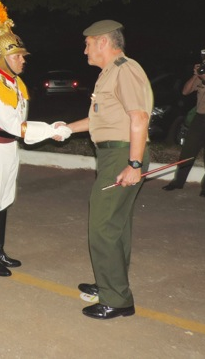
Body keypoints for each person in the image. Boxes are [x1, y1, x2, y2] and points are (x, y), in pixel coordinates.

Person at [0, 0, 71, 277]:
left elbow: (20, 123)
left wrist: (50, 127)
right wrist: (51, 130)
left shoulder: (15, 82)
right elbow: (13, 125)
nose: (23, 59)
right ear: (2, 57)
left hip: (9, 148)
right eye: (18, 56)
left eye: (22, 56)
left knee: (4, 199)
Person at [60, 20, 152, 319]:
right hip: (113, 154)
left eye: (87, 43)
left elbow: (138, 118)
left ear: (102, 42)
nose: (84, 48)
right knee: (116, 226)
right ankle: (111, 285)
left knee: (102, 226)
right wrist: (65, 129)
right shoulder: (109, 75)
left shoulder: (125, 69)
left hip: (122, 154)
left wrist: (134, 164)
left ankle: (117, 300)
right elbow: (101, 121)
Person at [163, 51, 205, 197]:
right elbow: (185, 91)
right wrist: (196, 75)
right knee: (187, 151)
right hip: (200, 118)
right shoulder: (201, 74)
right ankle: (178, 182)